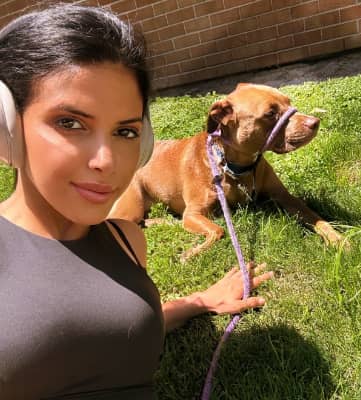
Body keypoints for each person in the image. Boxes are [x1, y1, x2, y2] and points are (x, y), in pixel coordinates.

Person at [0, 4, 273, 399]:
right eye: (70, 123)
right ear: (7, 127)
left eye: (125, 132)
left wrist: (198, 303)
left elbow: (108, 337)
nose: (107, 161)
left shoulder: (126, 241)